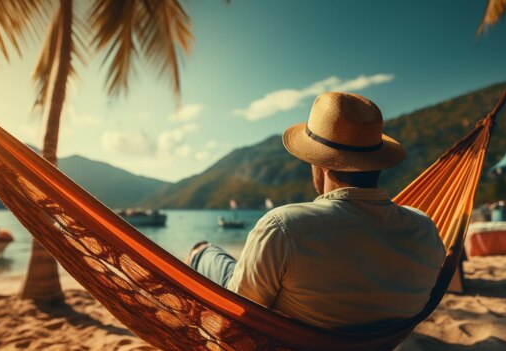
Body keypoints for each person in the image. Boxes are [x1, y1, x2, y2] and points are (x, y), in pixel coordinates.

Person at [187, 92, 445, 329]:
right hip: (378, 342)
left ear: (318, 163)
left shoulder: (283, 228)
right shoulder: (425, 228)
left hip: (290, 340)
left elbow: (237, 316)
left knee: (203, 252)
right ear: (376, 162)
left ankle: (198, 253)